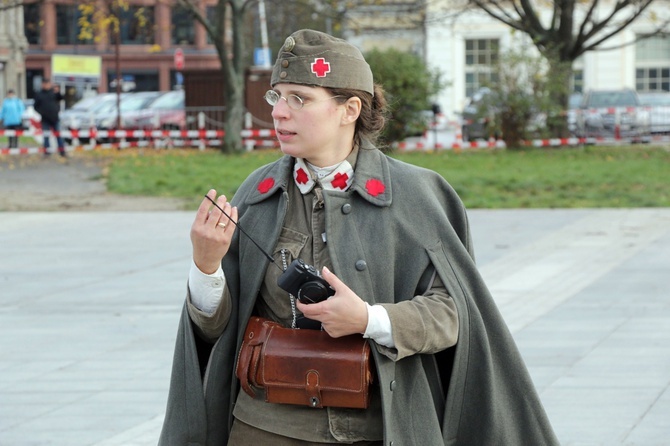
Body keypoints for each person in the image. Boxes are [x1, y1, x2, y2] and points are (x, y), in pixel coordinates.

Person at [160, 29, 559, 446]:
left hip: (381, 426)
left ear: (349, 109)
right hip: (265, 428)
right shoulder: (255, 195)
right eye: (277, 97)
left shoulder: (417, 195)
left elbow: (451, 315)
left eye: (300, 98)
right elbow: (214, 331)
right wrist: (205, 267)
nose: (279, 112)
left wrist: (369, 319)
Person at [33, 78, 66, 157]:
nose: (46, 85)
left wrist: (58, 92)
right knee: (46, 136)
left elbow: (61, 98)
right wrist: (42, 113)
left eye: (47, 84)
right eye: (44, 84)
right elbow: (35, 106)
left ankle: (62, 151)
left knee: (58, 135)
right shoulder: (39, 94)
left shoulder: (53, 92)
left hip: (55, 118)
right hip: (45, 119)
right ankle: (47, 151)